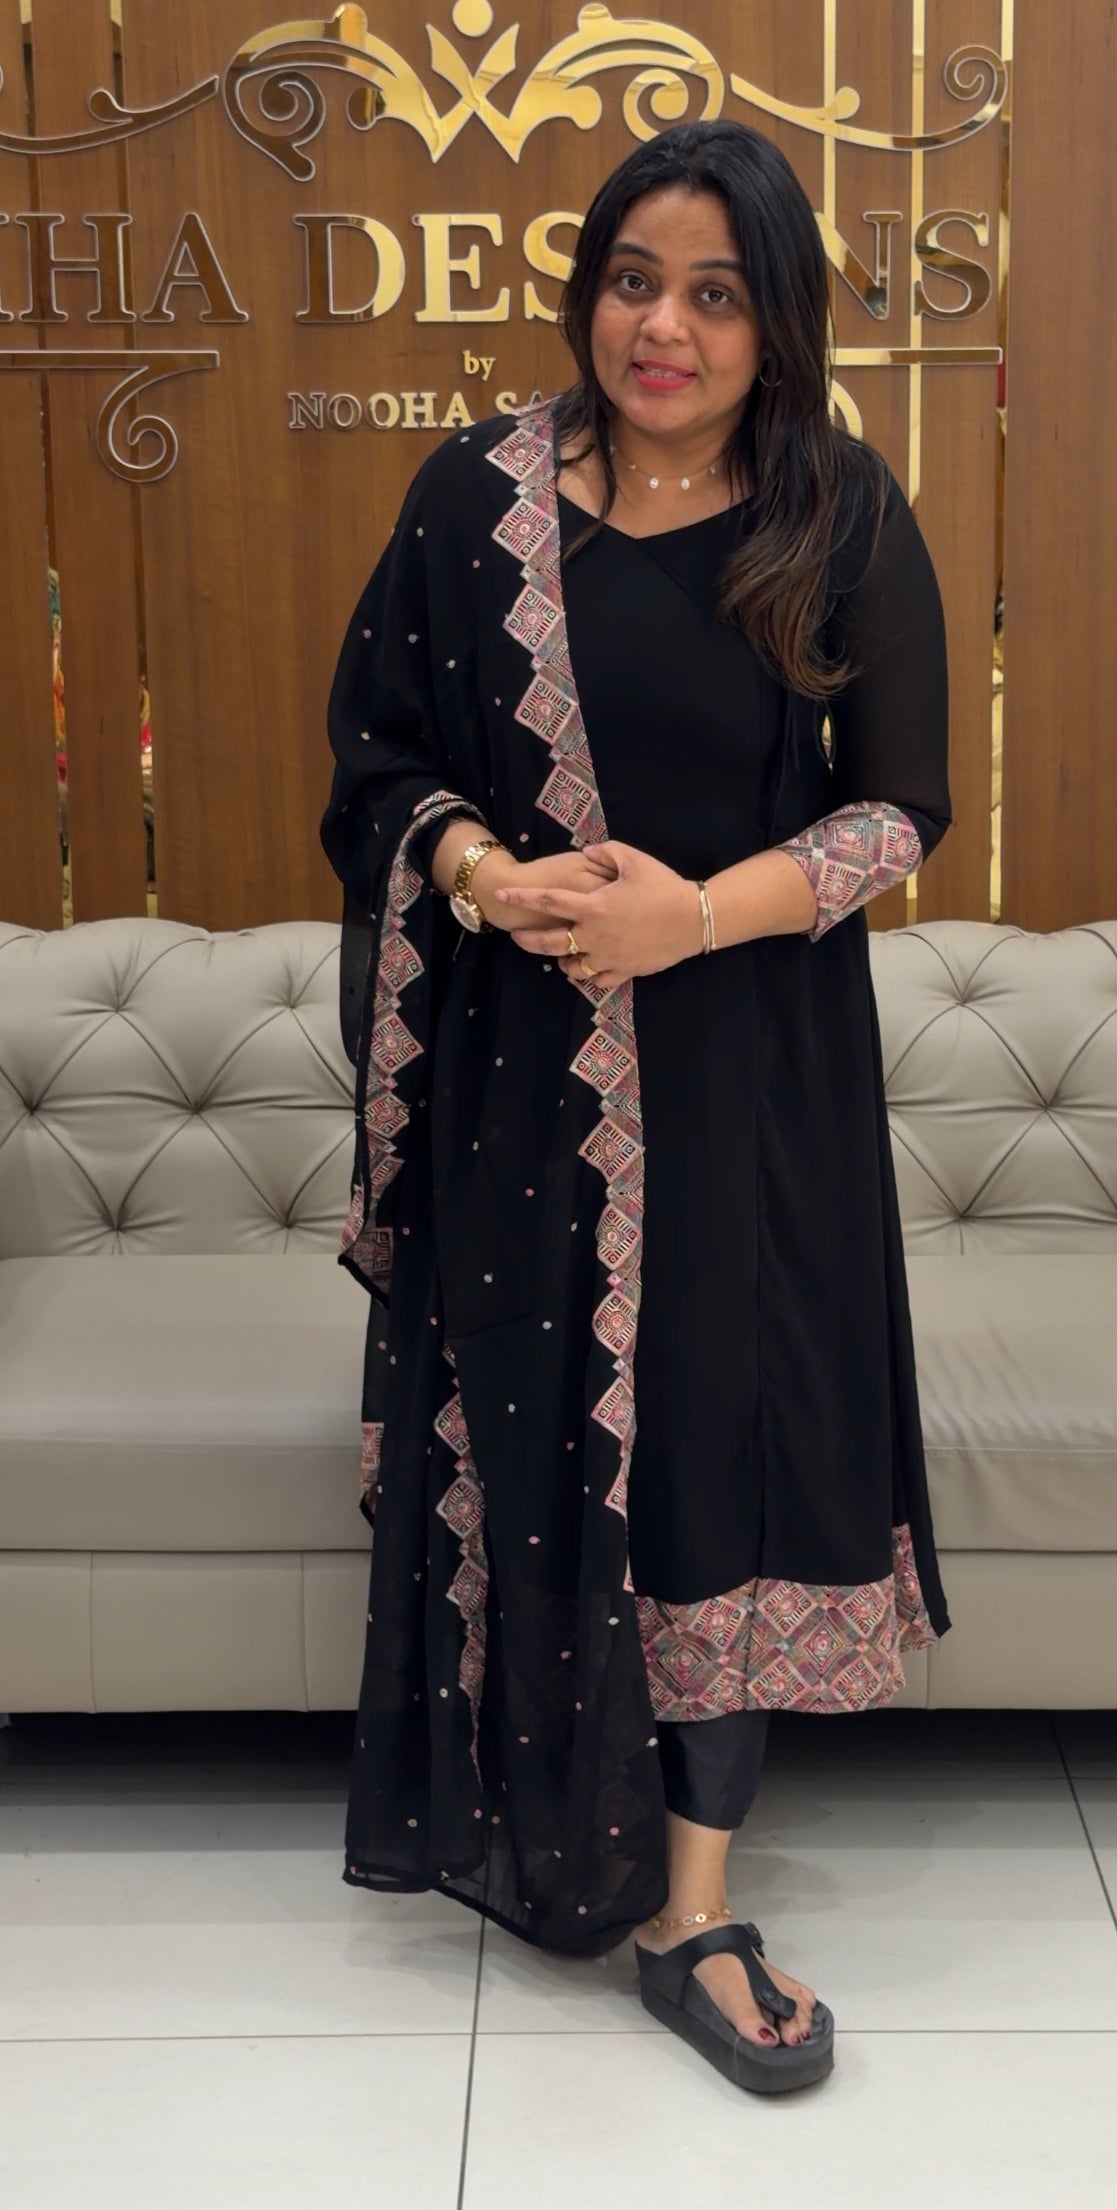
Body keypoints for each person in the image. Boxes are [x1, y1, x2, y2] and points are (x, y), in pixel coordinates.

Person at [320, 116, 952, 2097]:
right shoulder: (471, 499)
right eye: (630, 281)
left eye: (713, 295)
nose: (660, 328)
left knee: (712, 1448)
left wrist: (692, 914)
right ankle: (548, 1812)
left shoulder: (834, 508)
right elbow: (374, 756)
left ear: (777, 325)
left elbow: (899, 807)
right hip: (521, 1083)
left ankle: (692, 1903)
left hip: (749, 1072)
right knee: (542, 1434)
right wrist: (472, 872)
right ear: (586, 290)